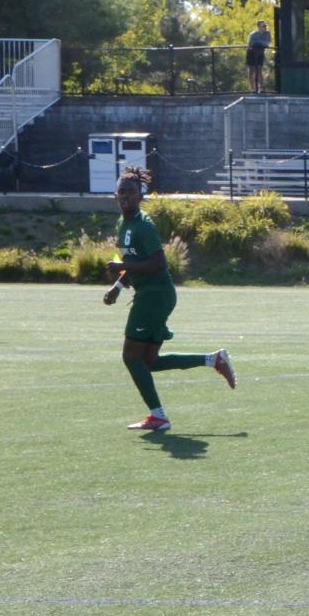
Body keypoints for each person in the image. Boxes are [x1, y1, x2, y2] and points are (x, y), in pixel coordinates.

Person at [101, 167, 235, 431]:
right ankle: (213, 359)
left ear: (140, 195)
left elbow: (157, 262)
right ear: (115, 195)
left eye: (130, 191)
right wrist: (118, 286)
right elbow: (134, 262)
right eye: (121, 192)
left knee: (131, 356)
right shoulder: (122, 224)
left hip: (155, 295)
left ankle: (158, 416)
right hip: (151, 295)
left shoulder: (143, 225)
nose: (125, 196)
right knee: (148, 361)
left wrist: (119, 271)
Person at [245, 19, 271, 94]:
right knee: (251, 71)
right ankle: (252, 89)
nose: (265, 27)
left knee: (259, 70)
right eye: (263, 26)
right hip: (251, 53)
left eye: (265, 26)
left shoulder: (267, 33)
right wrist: (260, 43)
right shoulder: (253, 34)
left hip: (260, 53)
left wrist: (258, 43)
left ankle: (261, 88)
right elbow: (251, 44)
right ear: (259, 27)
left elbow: (267, 43)